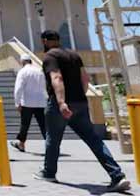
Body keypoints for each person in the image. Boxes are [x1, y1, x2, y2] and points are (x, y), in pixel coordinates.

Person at [34, 30, 131, 192]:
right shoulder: (73, 55)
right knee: (93, 139)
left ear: (44, 41)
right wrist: (79, 97)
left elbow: (56, 78)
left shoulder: (50, 57)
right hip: (80, 103)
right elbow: (85, 79)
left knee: (53, 139)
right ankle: (117, 175)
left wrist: (62, 102)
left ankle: (49, 172)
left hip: (61, 105)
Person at [10, 54, 47, 153]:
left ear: (22, 62)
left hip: (27, 102)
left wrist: (17, 103)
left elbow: (18, 88)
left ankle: (21, 144)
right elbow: (45, 86)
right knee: (44, 125)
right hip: (41, 102)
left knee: (25, 124)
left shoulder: (22, 72)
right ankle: (50, 144)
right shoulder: (39, 71)